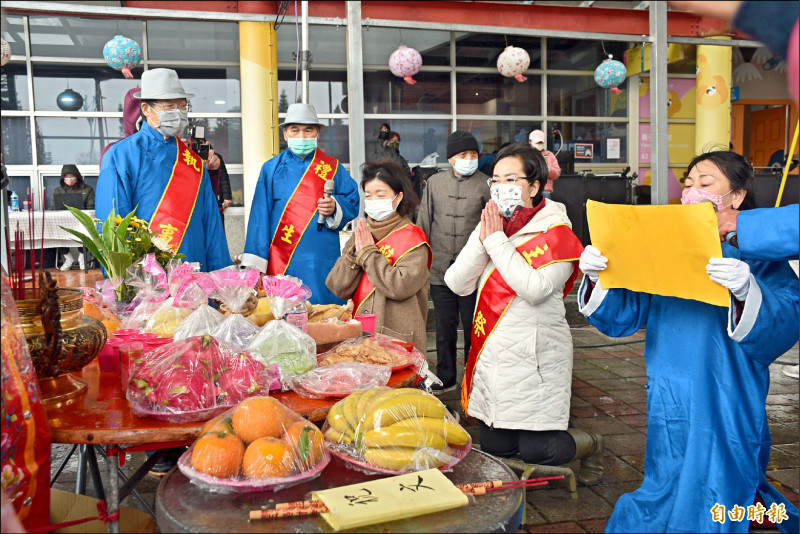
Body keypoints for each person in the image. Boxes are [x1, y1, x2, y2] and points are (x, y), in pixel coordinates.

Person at [578, 150, 799, 533]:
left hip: (728, 385)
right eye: (687, 184)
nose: (691, 191)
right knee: (669, 465)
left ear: (737, 197)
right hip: (669, 382)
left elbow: (786, 317)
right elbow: (627, 312)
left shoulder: (760, 256)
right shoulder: (664, 244)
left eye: (705, 183)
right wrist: (600, 277)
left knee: (724, 471)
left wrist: (748, 289)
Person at [443, 143, 602, 484]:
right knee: (496, 446)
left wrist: (496, 241)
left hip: (536, 356)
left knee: (538, 451)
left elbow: (534, 289)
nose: (501, 186)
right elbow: (456, 283)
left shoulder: (558, 233)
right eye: (496, 180)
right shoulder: (493, 225)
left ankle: (592, 444)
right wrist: (483, 238)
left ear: (534, 186)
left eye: (511, 179)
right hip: (494, 352)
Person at [96, 68, 231, 272]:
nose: (177, 112)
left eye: (182, 106)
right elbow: (113, 225)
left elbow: (212, 225)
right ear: (146, 108)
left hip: (195, 271)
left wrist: (222, 278)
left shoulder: (192, 161)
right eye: (169, 106)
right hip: (146, 279)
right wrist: (123, 284)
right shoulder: (120, 156)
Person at [240, 103, 360, 305]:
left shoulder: (332, 167)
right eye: (295, 130)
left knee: (323, 316)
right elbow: (259, 218)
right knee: (283, 316)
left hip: (321, 259)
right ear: (285, 134)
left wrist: (335, 207)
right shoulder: (271, 168)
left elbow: (352, 199)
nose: (302, 136)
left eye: (308, 130)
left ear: (318, 133)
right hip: (281, 260)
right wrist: (255, 266)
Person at [326, 160, 431, 351]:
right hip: (361, 335)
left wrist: (368, 254)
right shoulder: (362, 233)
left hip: (398, 339)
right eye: (368, 195)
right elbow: (337, 286)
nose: (373, 201)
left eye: (380, 195)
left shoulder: (413, 239)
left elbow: (400, 287)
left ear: (398, 197)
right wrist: (354, 255)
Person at [417, 130, 491, 395]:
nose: (469, 159)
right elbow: (424, 222)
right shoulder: (434, 183)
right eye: (463, 155)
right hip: (440, 269)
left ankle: (476, 380)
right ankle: (446, 379)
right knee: (444, 328)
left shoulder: (486, 184)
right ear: (451, 158)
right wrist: (420, 260)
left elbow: (492, 226)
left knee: (475, 327)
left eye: (473, 155)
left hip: (474, 271)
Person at [54, 164, 95, 270]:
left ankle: (82, 257)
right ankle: (68, 258)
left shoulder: (88, 189)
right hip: (64, 220)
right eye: (67, 177)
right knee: (57, 230)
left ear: (77, 177)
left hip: (81, 220)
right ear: (63, 178)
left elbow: (91, 207)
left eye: (72, 177)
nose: (69, 180)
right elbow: (54, 208)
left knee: (84, 231)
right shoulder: (58, 191)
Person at [196, 137, 232, 225]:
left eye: (202, 144)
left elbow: (224, 178)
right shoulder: (192, 158)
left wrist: (227, 197)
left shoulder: (216, 158)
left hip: (215, 198)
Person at [528, 130, 561, 198]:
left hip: (545, 191)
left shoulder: (549, 155)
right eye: (537, 143)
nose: (539, 145)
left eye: (541, 143)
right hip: (528, 190)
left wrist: (547, 168)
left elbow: (557, 173)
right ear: (530, 141)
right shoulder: (525, 155)